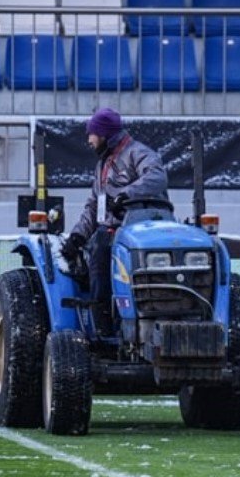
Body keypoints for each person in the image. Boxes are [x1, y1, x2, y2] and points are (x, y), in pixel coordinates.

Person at [60, 108, 170, 335]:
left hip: (140, 228)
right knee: (94, 246)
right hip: (111, 231)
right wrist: (78, 236)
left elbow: (157, 177)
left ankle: (115, 326)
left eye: (92, 134)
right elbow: (94, 205)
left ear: (105, 135)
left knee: (102, 243)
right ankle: (103, 325)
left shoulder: (137, 153)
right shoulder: (102, 165)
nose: (88, 140)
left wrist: (126, 194)